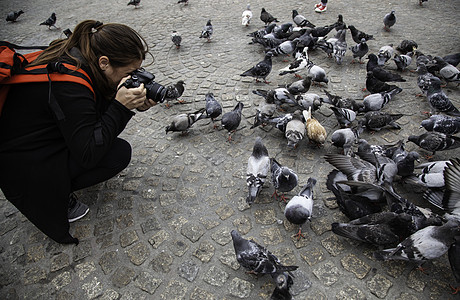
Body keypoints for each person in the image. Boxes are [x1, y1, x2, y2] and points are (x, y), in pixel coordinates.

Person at [0, 20, 157, 244]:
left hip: (38, 139)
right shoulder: (70, 81)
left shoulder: (80, 56)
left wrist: (127, 102)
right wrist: (121, 107)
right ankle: (51, 196)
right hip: (21, 164)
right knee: (118, 154)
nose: (131, 78)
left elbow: (89, 113)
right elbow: (88, 153)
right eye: (129, 73)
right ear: (104, 62)